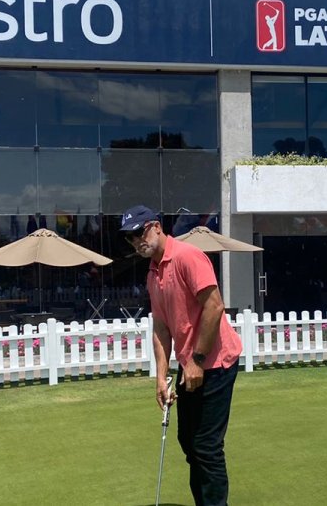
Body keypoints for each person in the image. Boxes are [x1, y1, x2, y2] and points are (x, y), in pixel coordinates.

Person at [121, 204, 242, 506]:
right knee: (188, 441)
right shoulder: (153, 274)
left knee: (206, 446)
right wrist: (161, 378)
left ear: (157, 227)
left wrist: (197, 361)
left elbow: (215, 307)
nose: (137, 241)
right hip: (190, 364)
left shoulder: (188, 257)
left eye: (140, 232)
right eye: (131, 238)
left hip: (215, 362)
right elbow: (161, 328)